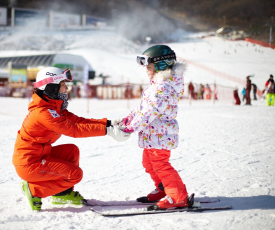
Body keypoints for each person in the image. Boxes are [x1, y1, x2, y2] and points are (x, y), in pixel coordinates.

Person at [13, 67, 130, 211]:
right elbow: (74, 130)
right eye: (63, 85)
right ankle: (33, 189)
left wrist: (108, 123)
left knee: (71, 151)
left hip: (38, 156)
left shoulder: (53, 109)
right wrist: (107, 131)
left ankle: (61, 193)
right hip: (29, 164)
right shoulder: (43, 113)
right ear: (51, 88)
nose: (67, 89)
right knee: (75, 174)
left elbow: (78, 121)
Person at [115, 45, 189, 210]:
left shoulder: (163, 87)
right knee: (148, 163)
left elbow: (150, 112)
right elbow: (143, 109)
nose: (146, 71)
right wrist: (129, 118)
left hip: (160, 134)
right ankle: (164, 188)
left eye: (148, 67)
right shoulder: (158, 85)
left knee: (160, 164)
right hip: (152, 135)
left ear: (161, 65)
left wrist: (131, 127)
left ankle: (177, 196)